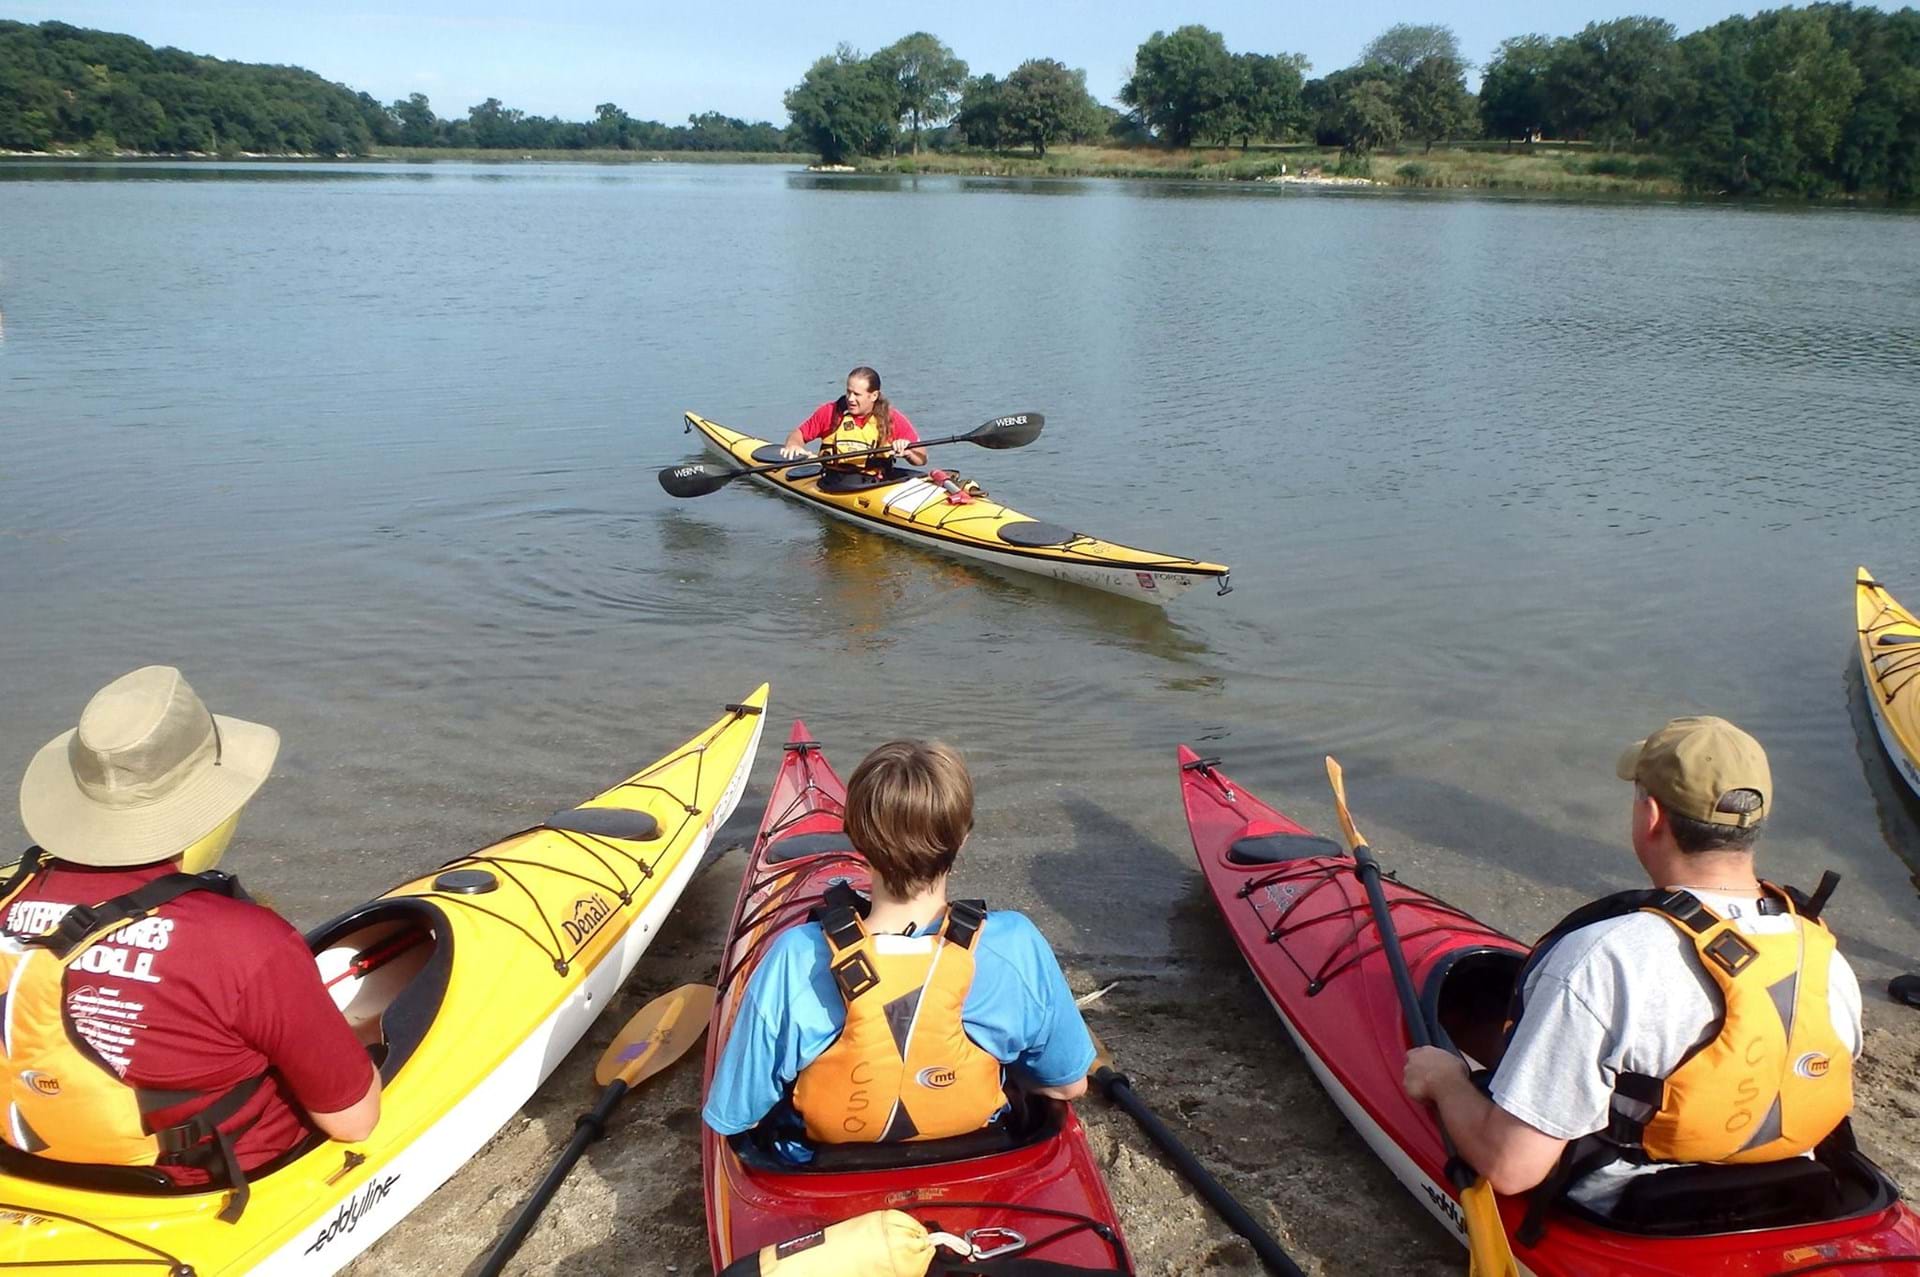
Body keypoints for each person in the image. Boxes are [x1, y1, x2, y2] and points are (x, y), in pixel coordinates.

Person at [1401, 716, 1861, 1227]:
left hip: (1639, 1214)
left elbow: (1511, 1169)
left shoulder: (1602, 958)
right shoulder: (1824, 954)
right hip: (1793, 1192)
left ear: (1652, 816)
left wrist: (1445, 1080)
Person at [3, 666, 379, 1212]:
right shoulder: (246, 941)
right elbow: (353, 1122)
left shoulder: (7, 895)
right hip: (202, 1191)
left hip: (27, 1166)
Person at [703, 740, 1093, 1152]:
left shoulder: (795, 957)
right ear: (962, 839)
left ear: (854, 840)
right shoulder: (1017, 945)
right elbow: (1069, 1086)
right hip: (973, 1147)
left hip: (828, 1163)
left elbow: (735, 1115)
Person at [779, 366, 929, 485]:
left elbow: (921, 459)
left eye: (857, 394)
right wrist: (793, 445)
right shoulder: (831, 412)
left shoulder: (891, 418)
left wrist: (908, 452)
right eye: (848, 392)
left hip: (877, 483)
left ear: (874, 395)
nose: (850, 399)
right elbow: (798, 435)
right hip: (836, 483)